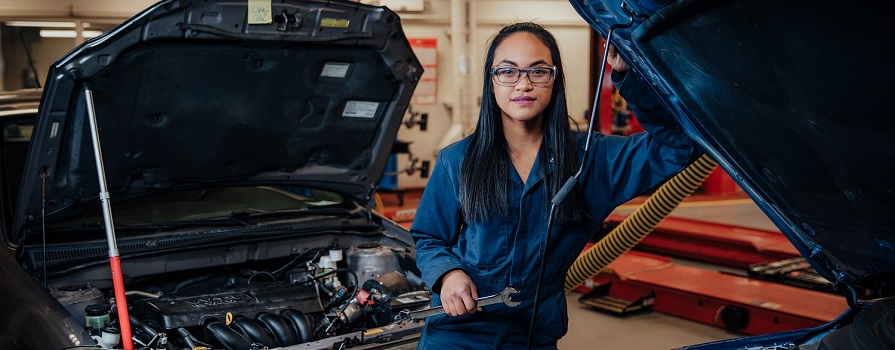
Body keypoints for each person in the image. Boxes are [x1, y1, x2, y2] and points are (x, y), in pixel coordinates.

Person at [410, 22, 700, 349]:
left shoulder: (594, 160)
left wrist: (632, 78)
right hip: (459, 329)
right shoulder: (458, 159)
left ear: (555, 79)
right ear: (491, 82)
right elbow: (430, 236)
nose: (523, 83)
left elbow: (679, 145)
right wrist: (448, 275)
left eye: (538, 72)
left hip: (534, 332)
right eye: (507, 71)